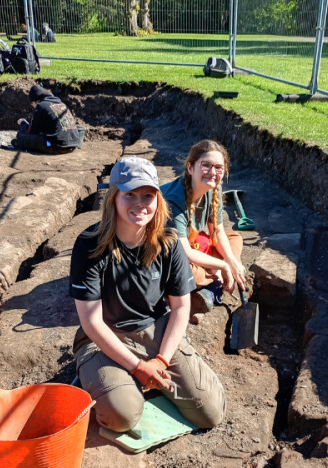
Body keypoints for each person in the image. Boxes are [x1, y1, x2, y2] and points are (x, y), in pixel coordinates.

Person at [69, 156, 226, 433]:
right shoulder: (89, 245)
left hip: (154, 331)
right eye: (130, 195)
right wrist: (138, 366)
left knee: (210, 414)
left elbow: (180, 308)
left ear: (158, 199)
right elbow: (91, 322)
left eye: (148, 195)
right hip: (105, 336)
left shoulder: (168, 242)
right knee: (122, 416)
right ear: (114, 198)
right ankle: (103, 375)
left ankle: (139, 378)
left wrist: (160, 360)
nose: (140, 203)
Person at [160, 139, 246, 314]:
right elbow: (184, 253)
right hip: (163, 253)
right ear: (190, 168)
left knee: (234, 238)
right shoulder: (174, 200)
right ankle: (212, 287)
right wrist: (223, 266)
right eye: (206, 165)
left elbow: (218, 230)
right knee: (182, 270)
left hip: (190, 242)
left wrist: (232, 261)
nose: (212, 172)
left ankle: (208, 287)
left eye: (218, 167)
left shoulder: (213, 189)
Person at [12, 84, 83, 154]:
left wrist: (23, 124)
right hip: (73, 146)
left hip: (55, 146)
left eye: (32, 103)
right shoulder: (61, 103)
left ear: (37, 101)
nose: (33, 106)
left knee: (21, 137)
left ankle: (18, 142)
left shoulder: (41, 106)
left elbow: (33, 132)